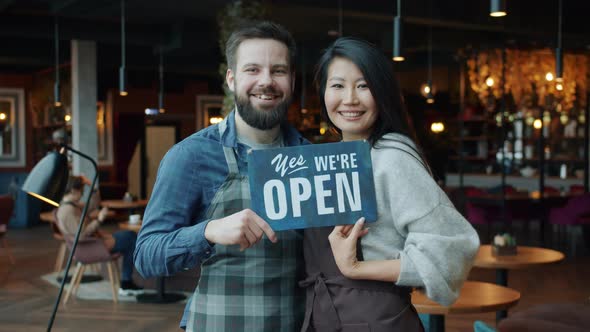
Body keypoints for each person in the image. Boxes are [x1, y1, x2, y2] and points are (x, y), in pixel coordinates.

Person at [134, 21, 308, 331]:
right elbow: (147, 256)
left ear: (292, 80)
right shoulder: (191, 156)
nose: (266, 81)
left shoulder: (310, 158)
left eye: (278, 71)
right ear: (231, 79)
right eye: (252, 69)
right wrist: (208, 231)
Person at [300, 37, 480, 331]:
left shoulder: (392, 158)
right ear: (322, 93)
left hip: (378, 320)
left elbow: (453, 246)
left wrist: (356, 267)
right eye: (337, 86)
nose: (350, 99)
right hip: (325, 315)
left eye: (363, 85)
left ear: (382, 93)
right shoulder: (326, 161)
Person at [56, 175, 143, 296]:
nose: (82, 194)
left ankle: (127, 281)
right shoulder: (68, 211)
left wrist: (93, 187)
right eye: (81, 190)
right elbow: (80, 236)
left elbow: (92, 205)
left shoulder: (70, 206)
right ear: (73, 190)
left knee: (130, 236)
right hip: (91, 247)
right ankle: (127, 282)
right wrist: (99, 220)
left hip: (92, 243)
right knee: (131, 238)